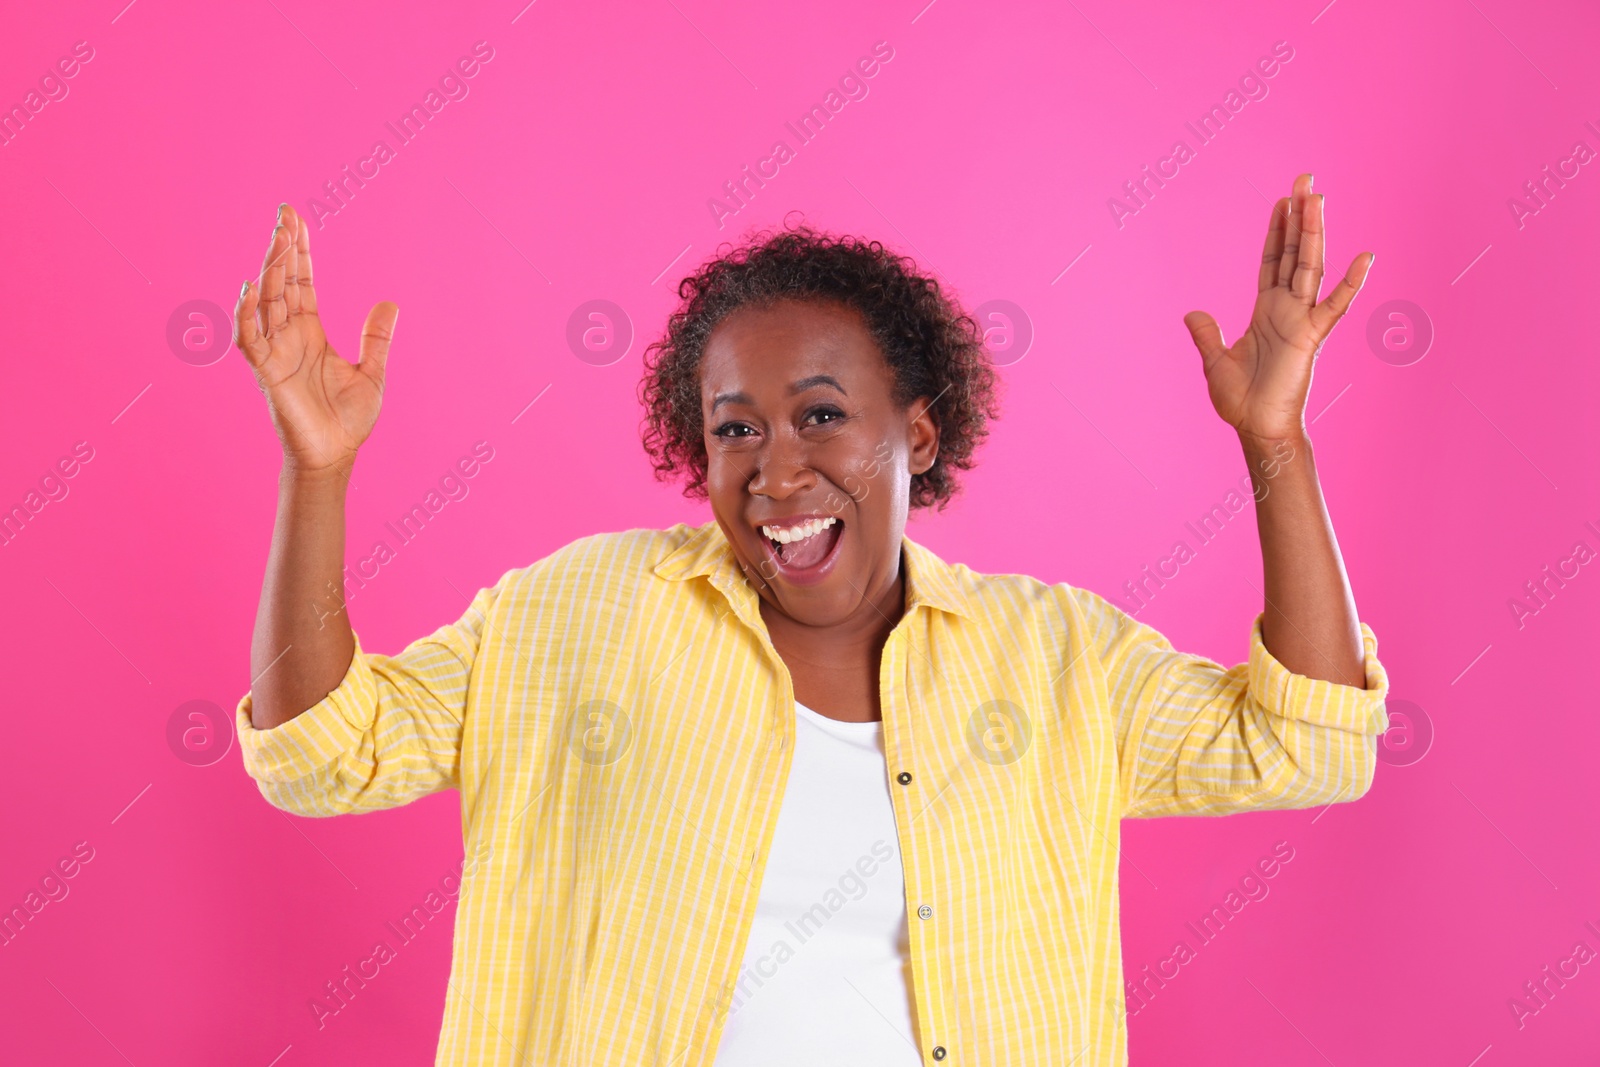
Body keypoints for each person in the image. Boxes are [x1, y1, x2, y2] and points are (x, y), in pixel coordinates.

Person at [231, 173, 1389, 1067]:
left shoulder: (1053, 657)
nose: (777, 470)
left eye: (821, 415)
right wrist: (316, 467)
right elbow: (321, 755)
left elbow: (1306, 740)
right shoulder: (573, 612)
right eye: (736, 428)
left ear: (917, 439)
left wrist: (1274, 438)